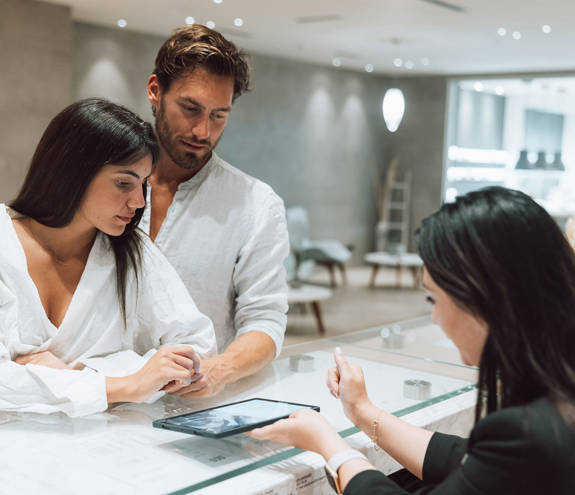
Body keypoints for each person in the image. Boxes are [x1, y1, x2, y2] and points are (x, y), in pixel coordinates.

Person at [247, 187, 575, 494]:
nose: (434, 319)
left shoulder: (532, 433)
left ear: (482, 298)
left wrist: (328, 445)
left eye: (434, 300)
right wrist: (361, 410)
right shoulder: (554, 399)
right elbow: (465, 460)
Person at [0, 98, 216, 418]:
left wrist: (71, 376)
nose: (139, 201)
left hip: (107, 452)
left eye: (143, 184)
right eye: (123, 183)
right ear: (71, 171)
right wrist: (124, 385)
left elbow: (195, 347)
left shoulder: (132, 251)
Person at [141, 24, 289, 398]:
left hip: (194, 410)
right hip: (104, 401)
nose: (202, 131)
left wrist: (217, 370)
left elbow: (266, 321)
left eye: (218, 115)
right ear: (155, 91)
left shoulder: (256, 204)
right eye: (190, 109)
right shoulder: (102, 183)